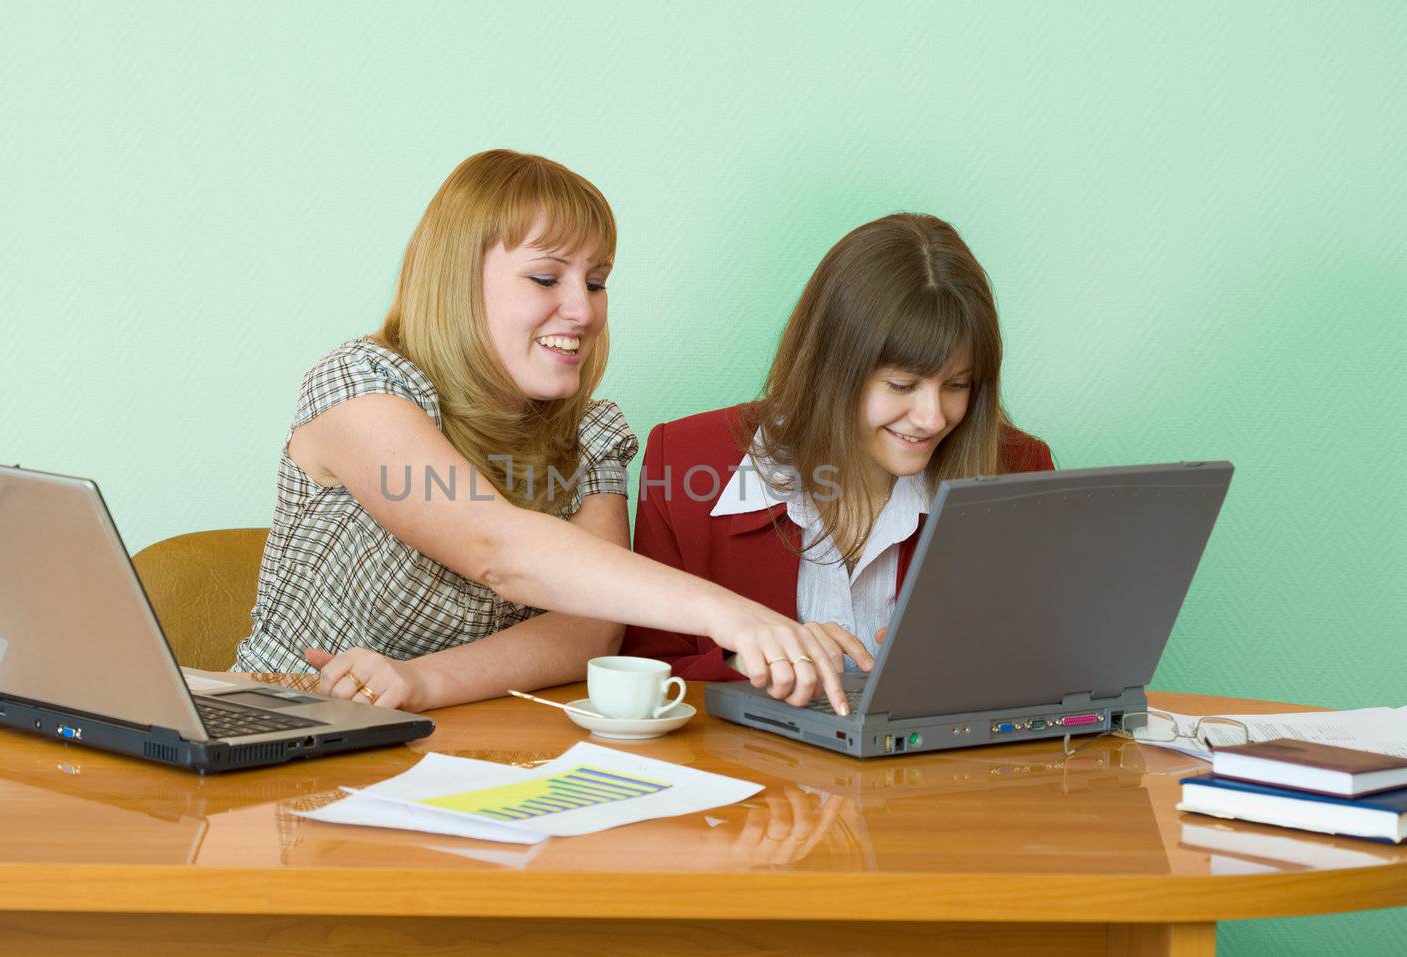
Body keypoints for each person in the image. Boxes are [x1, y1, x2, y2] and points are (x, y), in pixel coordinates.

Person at [235, 150, 873, 715]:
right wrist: (734, 615)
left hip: (455, 744)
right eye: (548, 278)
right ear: (457, 283)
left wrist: (416, 682)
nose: (584, 308)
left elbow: (589, 633)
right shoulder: (360, 385)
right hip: (287, 721)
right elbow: (498, 549)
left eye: (596, 282)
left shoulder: (592, 433)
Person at [621, 213, 1054, 679]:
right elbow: (643, 672)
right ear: (831, 368)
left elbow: (1060, 666)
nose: (933, 417)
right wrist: (750, 657)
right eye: (902, 385)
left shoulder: (1020, 470)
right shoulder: (685, 459)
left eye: (958, 384)